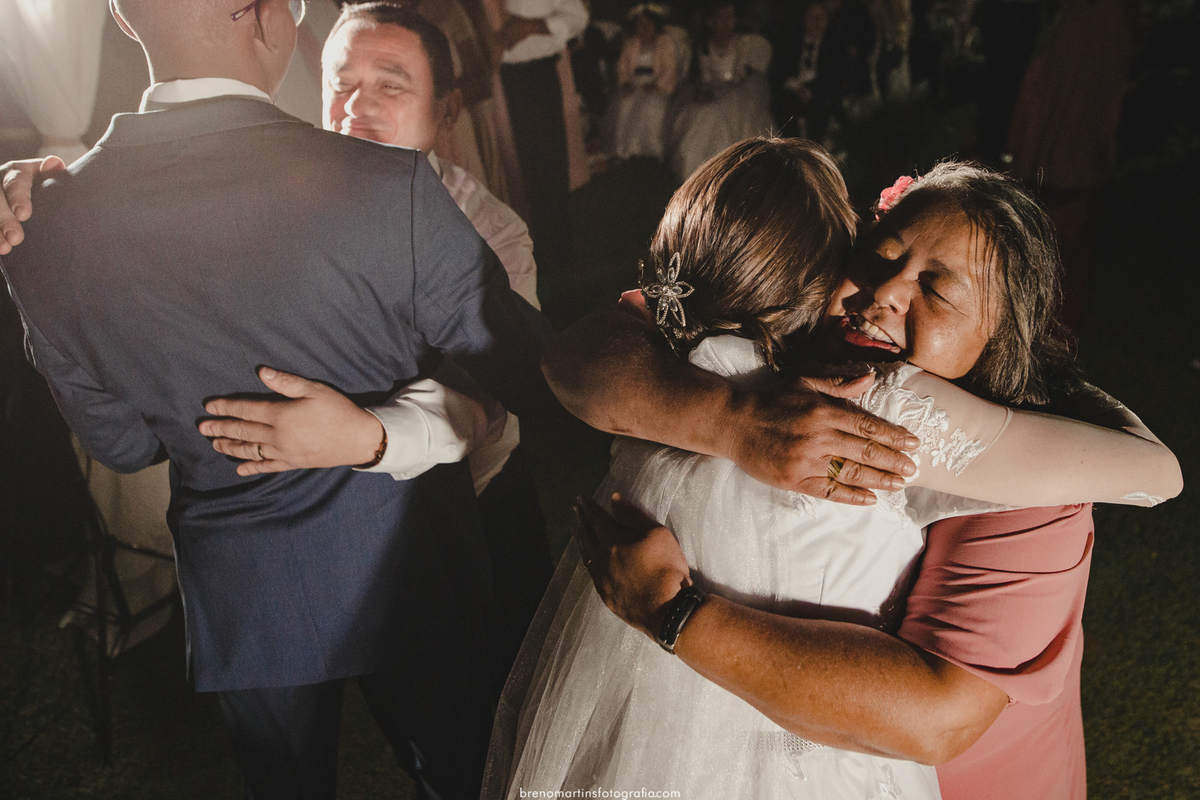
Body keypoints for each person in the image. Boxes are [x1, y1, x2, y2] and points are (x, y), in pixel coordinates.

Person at [0, 1, 558, 798]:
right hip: (409, 568)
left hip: (249, 593)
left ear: (124, 24)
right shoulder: (389, 190)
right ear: (267, 21)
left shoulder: (38, 230)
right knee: (463, 772)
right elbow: (531, 376)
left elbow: (125, 447)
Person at [500, 145, 1180, 797]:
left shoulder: (1041, 491)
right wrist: (728, 419)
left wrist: (673, 612)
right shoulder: (789, 359)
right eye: (879, 257)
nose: (884, 292)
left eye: (936, 291)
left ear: (1002, 334)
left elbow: (937, 715)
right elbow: (580, 354)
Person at [317, 1, 551, 697]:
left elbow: (485, 397)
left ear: (447, 111)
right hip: (348, 529)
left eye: (390, 85)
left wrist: (365, 432)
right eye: (341, 81)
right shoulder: (289, 208)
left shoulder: (492, 233)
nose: (357, 104)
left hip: (475, 512)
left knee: (512, 704)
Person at [493, 0, 588, 274]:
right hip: (500, 81)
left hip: (537, 75)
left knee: (548, 161)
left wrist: (535, 25)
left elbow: (578, 19)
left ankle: (557, 248)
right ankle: (532, 245)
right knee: (519, 165)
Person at [669, 1, 775, 181]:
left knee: (725, 118)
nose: (727, 23)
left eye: (730, 18)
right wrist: (705, 92)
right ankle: (700, 173)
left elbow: (743, 78)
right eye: (722, 18)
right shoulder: (704, 46)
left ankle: (730, 172)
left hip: (737, 93)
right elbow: (704, 78)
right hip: (712, 91)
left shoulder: (743, 44)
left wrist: (718, 94)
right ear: (711, 22)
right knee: (700, 117)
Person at [604, 3, 678, 160]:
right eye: (640, 25)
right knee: (626, 104)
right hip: (634, 82)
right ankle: (625, 148)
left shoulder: (665, 43)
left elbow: (669, 68)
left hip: (656, 84)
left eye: (648, 24)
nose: (644, 29)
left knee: (650, 105)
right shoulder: (631, 43)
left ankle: (651, 148)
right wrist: (625, 83)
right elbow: (622, 67)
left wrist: (657, 84)